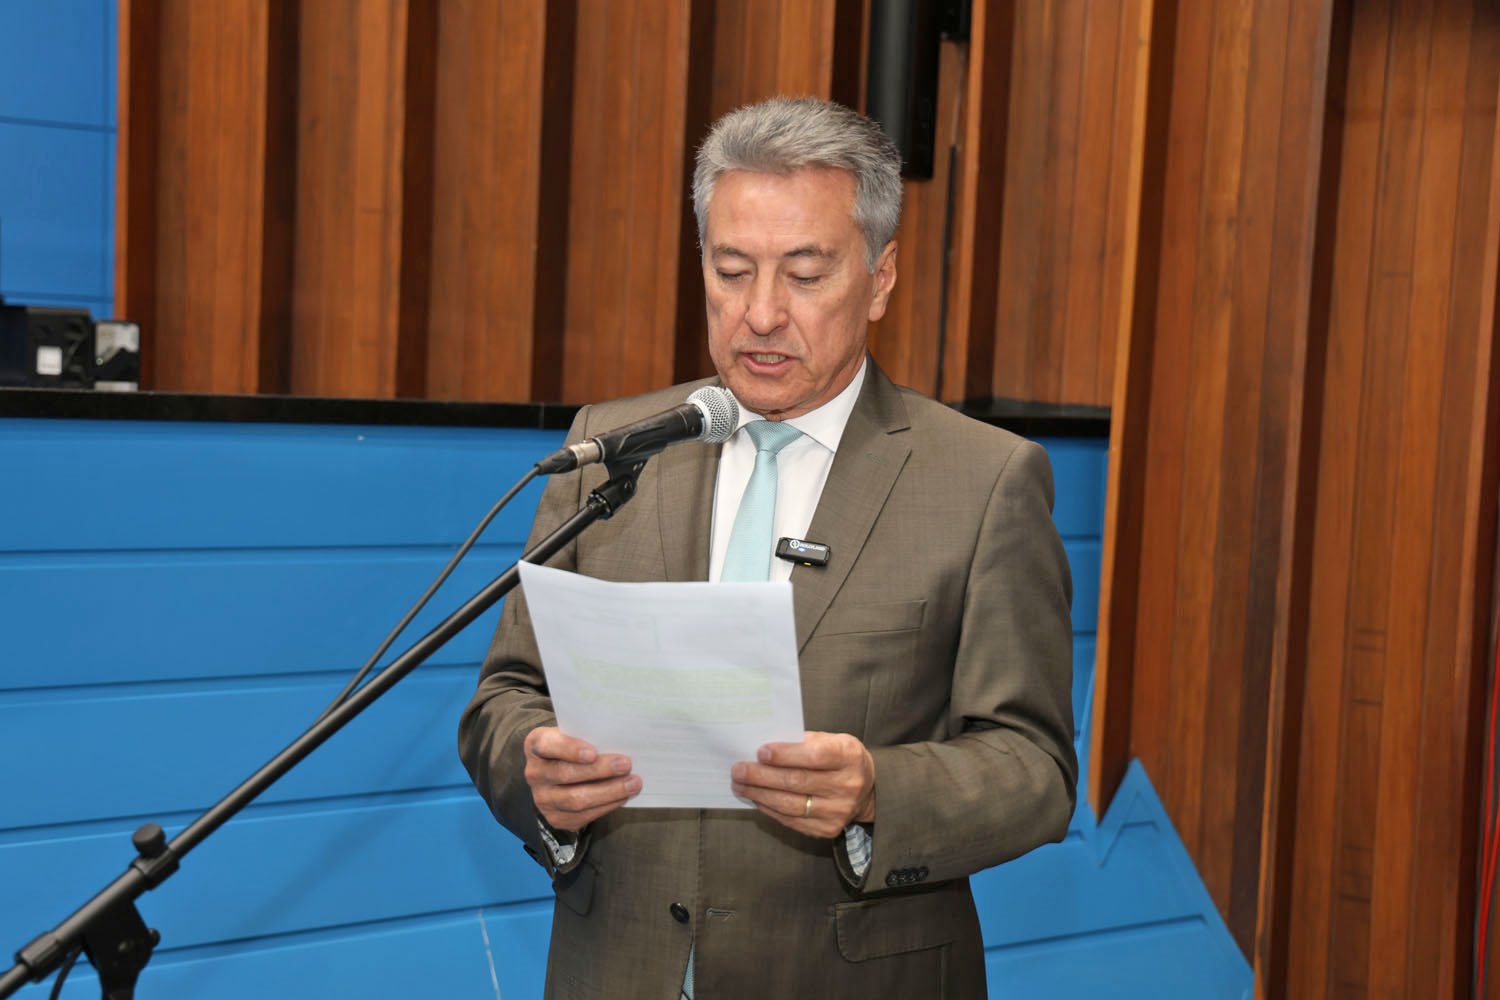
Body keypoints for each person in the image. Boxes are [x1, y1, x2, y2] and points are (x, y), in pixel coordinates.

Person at [458, 96, 1075, 999]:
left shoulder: (983, 481)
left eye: (805, 274)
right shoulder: (611, 448)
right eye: (731, 270)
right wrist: (537, 773)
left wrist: (877, 791)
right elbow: (505, 697)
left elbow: (1034, 766)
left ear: (880, 279)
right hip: (620, 968)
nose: (760, 313)